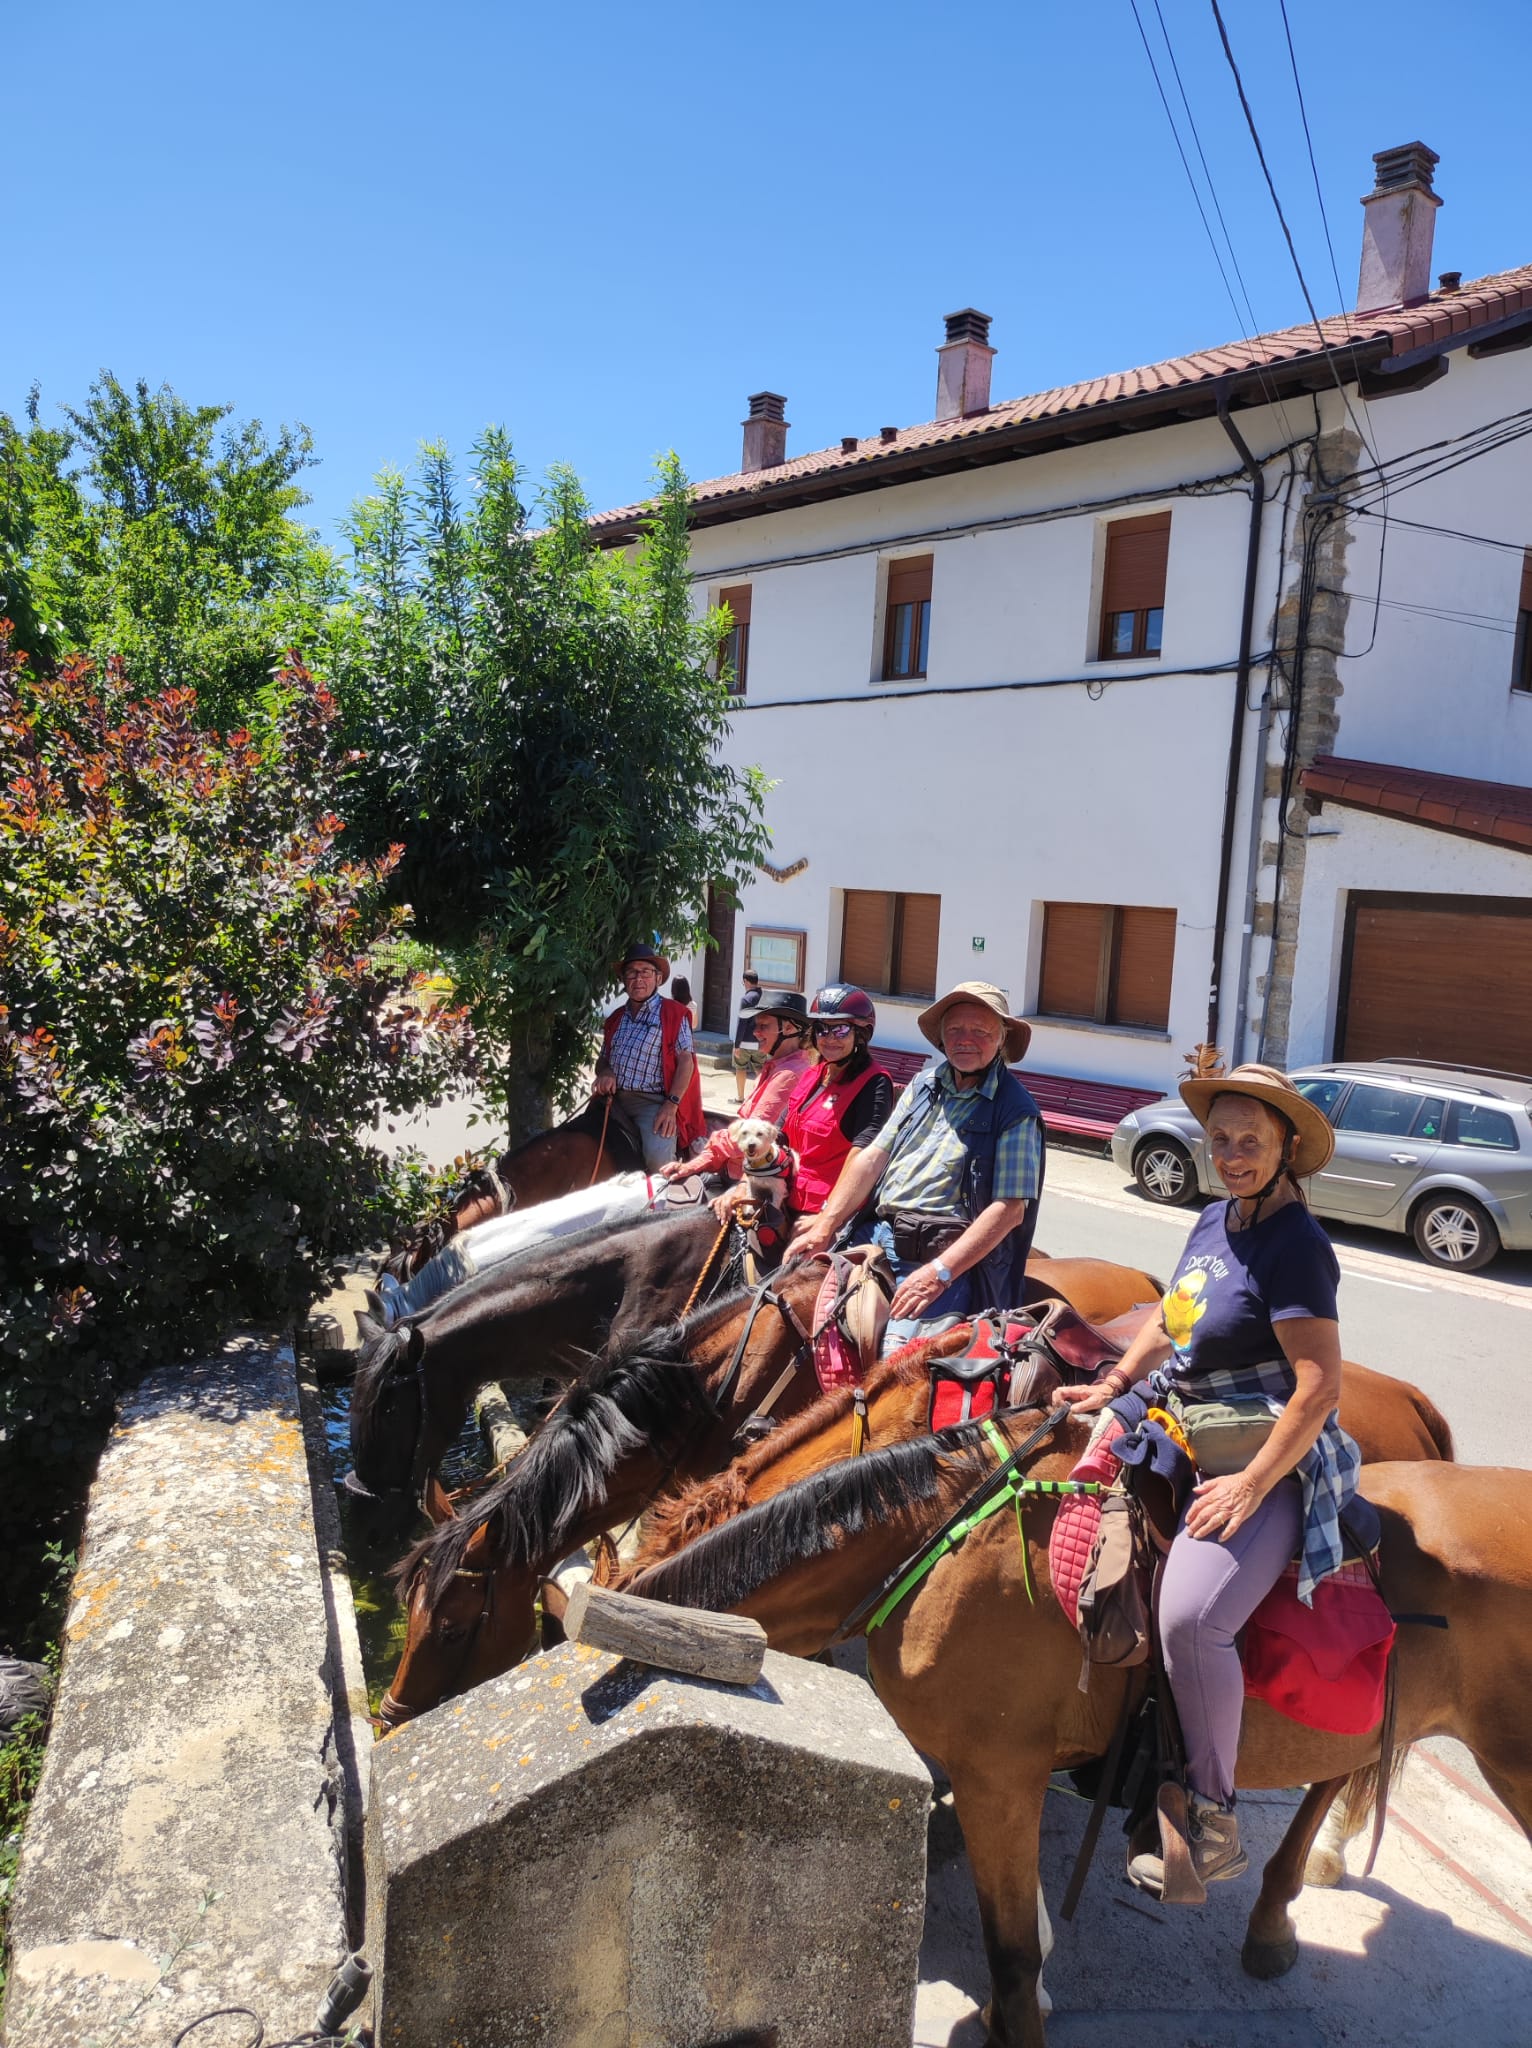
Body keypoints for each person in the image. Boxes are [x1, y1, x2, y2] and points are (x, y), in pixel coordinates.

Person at [1058, 1063, 1354, 1899]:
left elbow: (1319, 1386)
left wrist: (1254, 1486)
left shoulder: (1297, 1245)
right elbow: (1172, 1318)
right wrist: (1113, 1387)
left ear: (1287, 1146)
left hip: (1257, 1453)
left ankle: (1215, 1817)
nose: (1232, 1154)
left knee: (1190, 1617)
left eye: (1250, 1141)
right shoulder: (1215, 1220)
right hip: (1181, 1421)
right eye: (1220, 1139)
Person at [789, 981, 1044, 1345]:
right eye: (954, 1029)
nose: (964, 1039)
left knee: (894, 1364)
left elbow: (1009, 1210)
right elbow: (875, 1155)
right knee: (796, 1320)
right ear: (941, 1037)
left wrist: (940, 1273)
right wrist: (826, 1224)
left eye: (980, 1030)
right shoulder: (924, 1085)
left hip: (938, 1255)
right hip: (875, 1235)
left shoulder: (1016, 1110)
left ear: (1001, 1039)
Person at [705, 984, 894, 1224]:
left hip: (828, 1210)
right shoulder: (812, 1075)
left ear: (862, 1033)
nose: (829, 1038)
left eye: (841, 1029)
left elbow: (864, 1159)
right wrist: (744, 1183)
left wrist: (827, 1220)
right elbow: (777, 1138)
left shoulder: (874, 1084)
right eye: (822, 1029)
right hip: (783, 1194)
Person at [659, 988, 815, 1184]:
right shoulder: (779, 1067)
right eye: (756, 1025)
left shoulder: (788, 1075)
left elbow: (750, 1135)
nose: (756, 1032)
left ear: (790, 1029)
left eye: (764, 1025)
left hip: (748, 1180)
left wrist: (694, 1164)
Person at [592, 944, 705, 1171]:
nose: (638, 978)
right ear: (624, 980)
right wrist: (605, 1071)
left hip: (653, 1103)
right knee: (576, 1144)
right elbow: (603, 1059)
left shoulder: (673, 1013)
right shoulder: (616, 1018)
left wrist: (671, 1105)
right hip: (612, 1099)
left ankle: (664, 1204)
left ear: (658, 978)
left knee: (658, 1161)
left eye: (645, 972)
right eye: (631, 972)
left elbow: (686, 1061)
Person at [732, 970, 764, 1105]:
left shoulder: (746, 999)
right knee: (760, 1069)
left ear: (746, 981)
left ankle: (740, 1097)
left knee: (740, 1068)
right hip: (761, 1041)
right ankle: (761, 1096)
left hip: (745, 1041)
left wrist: (736, 1045)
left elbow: (742, 1023)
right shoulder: (764, 997)